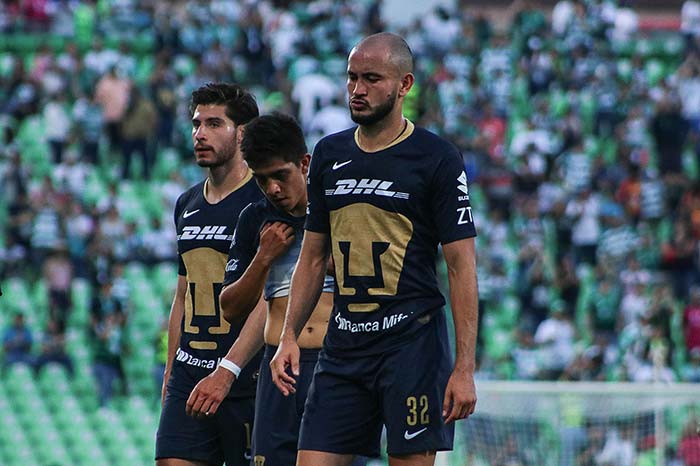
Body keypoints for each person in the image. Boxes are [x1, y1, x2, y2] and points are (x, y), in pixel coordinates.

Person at [270, 32, 479, 466]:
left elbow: (461, 267)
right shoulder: (329, 153)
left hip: (412, 346)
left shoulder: (437, 157)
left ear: (404, 85)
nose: (357, 90)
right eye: (351, 78)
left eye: (371, 79)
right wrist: (288, 335)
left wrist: (464, 368)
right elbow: (311, 258)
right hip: (343, 347)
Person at [186, 113, 365, 466]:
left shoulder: (339, 210)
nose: (273, 189)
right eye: (262, 179)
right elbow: (233, 308)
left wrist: (339, 265)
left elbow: (377, 288)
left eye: (280, 176)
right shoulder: (255, 219)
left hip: (333, 362)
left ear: (304, 163)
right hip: (275, 367)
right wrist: (263, 258)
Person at [155, 82, 264, 466]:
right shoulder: (186, 203)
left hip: (245, 375)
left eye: (214, 123)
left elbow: (272, 297)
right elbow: (183, 293)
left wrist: (229, 370)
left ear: (243, 133)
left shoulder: (263, 200)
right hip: (190, 370)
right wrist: (171, 370)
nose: (200, 133)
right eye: (197, 123)